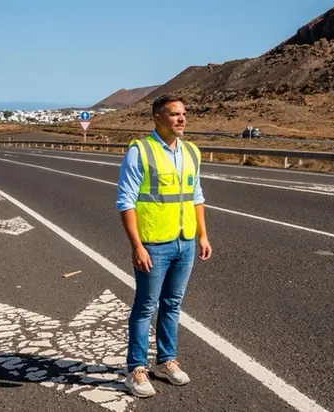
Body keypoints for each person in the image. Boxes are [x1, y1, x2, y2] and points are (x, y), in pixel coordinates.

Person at [115, 94, 212, 398]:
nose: (181, 118)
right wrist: (137, 246)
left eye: (184, 113)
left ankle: (166, 361)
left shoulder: (191, 151)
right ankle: (136, 369)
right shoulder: (140, 151)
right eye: (174, 114)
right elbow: (126, 201)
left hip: (185, 242)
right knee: (146, 306)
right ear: (157, 118)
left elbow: (196, 196)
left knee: (173, 304)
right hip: (154, 244)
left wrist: (202, 235)